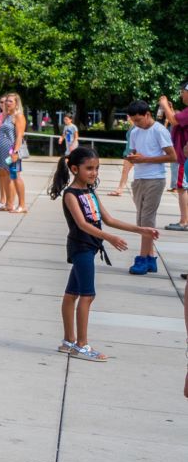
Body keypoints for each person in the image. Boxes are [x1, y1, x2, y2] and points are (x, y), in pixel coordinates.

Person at [50, 145, 157, 361]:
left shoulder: (90, 192)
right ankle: (81, 345)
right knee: (87, 296)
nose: (94, 173)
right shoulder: (71, 195)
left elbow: (108, 219)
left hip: (89, 248)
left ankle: (68, 342)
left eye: (96, 168)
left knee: (72, 294)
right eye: (89, 168)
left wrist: (140, 229)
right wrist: (109, 237)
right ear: (73, 169)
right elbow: (81, 224)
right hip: (81, 247)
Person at [121, 100, 175, 275]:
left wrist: (146, 159)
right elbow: (136, 152)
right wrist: (133, 158)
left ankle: (142, 258)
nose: (136, 123)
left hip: (155, 179)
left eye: (139, 119)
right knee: (141, 220)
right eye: (133, 120)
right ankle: (150, 258)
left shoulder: (159, 130)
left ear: (148, 114)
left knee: (147, 220)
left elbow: (172, 156)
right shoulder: (135, 132)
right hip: (139, 179)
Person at [0, 93, 28, 212]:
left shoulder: (18, 116)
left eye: (10, 101)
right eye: (6, 101)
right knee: (6, 177)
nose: (7, 103)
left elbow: (19, 136)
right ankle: (9, 204)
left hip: (12, 151)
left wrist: (15, 151)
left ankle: (22, 205)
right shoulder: (6, 116)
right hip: (2, 151)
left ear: (17, 103)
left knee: (15, 175)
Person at [159, 87, 188, 231]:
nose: (182, 94)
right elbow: (175, 120)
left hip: (184, 157)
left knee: (182, 187)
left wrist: (164, 104)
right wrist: (169, 110)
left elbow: (173, 120)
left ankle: (184, 221)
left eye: (183, 92)